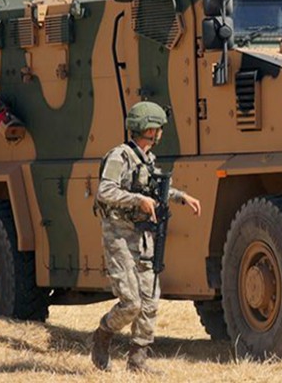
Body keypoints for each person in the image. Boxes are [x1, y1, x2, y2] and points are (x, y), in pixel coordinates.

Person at [90, 102, 201, 372]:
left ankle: (138, 360)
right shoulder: (120, 156)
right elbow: (105, 191)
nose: (160, 132)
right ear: (148, 129)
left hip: (143, 236)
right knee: (131, 303)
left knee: (150, 299)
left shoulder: (147, 159)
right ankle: (103, 334)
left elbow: (155, 188)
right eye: (157, 127)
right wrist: (137, 200)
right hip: (119, 235)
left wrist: (181, 196)